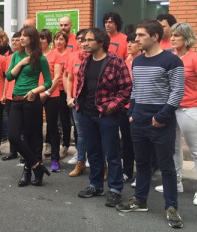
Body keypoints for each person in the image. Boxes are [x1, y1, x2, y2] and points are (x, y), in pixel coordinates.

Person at [116, 20, 185, 229]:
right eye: (136, 35)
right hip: (138, 120)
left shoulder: (172, 61)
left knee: (166, 166)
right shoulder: (137, 61)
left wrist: (162, 116)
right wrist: (131, 112)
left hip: (161, 121)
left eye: (140, 35)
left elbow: (177, 92)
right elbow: (136, 90)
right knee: (142, 163)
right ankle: (140, 200)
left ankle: (172, 208)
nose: (136, 39)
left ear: (155, 37)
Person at [75, 28, 131, 208]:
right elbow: (81, 84)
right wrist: (78, 103)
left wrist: (111, 107)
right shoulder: (86, 61)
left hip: (107, 115)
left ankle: (115, 190)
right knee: (93, 152)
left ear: (100, 42)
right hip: (86, 113)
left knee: (112, 154)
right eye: (83, 40)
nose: (84, 43)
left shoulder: (115, 62)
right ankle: (95, 185)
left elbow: (126, 89)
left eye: (89, 40)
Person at [153, 22, 197, 206]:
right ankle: (176, 183)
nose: (172, 38)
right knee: (173, 149)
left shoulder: (195, 58)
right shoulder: (168, 57)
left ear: (187, 38)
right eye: (172, 35)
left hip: (189, 109)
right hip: (170, 110)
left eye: (177, 36)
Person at [6, 26, 52, 187]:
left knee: (31, 138)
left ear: (31, 39)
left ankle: (27, 170)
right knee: (13, 136)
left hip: (32, 101)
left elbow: (48, 83)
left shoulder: (41, 58)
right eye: (20, 36)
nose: (21, 39)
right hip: (16, 100)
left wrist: (34, 90)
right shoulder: (16, 56)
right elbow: (9, 76)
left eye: (24, 36)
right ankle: (37, 167)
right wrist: (21, 63)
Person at [64, 29, 90, 176]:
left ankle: (96, 161)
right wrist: (69, 97)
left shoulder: (95, 56)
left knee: (94, 132)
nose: (82, 42)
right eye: (79, 39)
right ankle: (80, 162)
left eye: (85, 39)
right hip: (76, 101)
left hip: (92, 102)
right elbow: (69, 78)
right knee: (80, 133)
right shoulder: (73, 56)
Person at [38, 29, 62, 171]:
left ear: (48, 41)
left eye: (43, 39)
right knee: (36, 127)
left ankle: (55, 160)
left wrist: (46, 92)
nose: (41, 41)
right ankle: (37, 158)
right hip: (36, 94)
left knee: (52, 128)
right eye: (39, 39)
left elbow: (57, 77)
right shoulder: (35, 56)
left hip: (52, 95)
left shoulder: (55, 55)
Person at [118, 33, 140, 183]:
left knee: (139, 141)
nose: (130, 45)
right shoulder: (124, 62)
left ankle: (143, 173)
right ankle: (127, 171)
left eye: (133, 42)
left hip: (138, 106)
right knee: (126, 140)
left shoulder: (143, 61)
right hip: (124, 107)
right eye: (128, 42)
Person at [2, 31, 21, 161]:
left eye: (17, 40)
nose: (14, 43)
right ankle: (12, 151)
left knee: (23, 126)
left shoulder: (27, 57)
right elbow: (6, 78)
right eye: (13, 41)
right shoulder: (8, 58)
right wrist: (4, 93)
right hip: (9, 95)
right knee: (11, 125)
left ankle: (24, 151)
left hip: (21, 95)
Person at [54, 31, 72, 160]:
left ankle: (65, 144)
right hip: (51, 89)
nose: (58, 42)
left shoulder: (69, 55)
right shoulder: (51, 54)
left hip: (63, 90)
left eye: (61, 39)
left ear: (66, 41)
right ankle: (50, 143)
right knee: (53, 119)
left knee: (65, 119)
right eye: (56, 39)